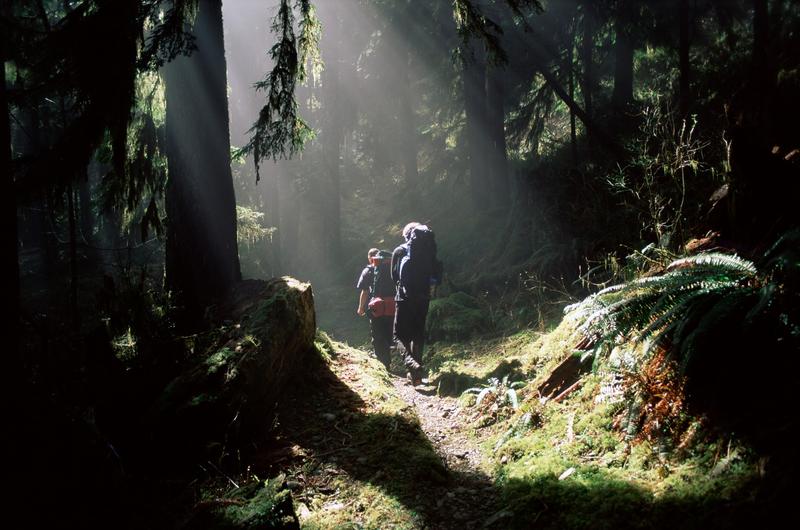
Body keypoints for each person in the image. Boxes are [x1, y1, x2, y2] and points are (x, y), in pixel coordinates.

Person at [391, 222, 441, 386]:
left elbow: (394, 277)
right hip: (424, 297)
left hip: (404, 298)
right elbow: (435, 272)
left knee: (398, 335)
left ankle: (412, 364)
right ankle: (416, 375)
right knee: (417, 334)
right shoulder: (428, 251)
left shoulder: (399, 251)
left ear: (407, 235)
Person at [356, 248, 395, 370]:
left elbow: (365, 290)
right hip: (393, 306)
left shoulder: (368, 270)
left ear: (370, 258)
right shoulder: (392, 267)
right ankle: (397, 360)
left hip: (377, 307)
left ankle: (384, 365)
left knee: (378, 335)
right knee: (391, 333)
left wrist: (361, 307)